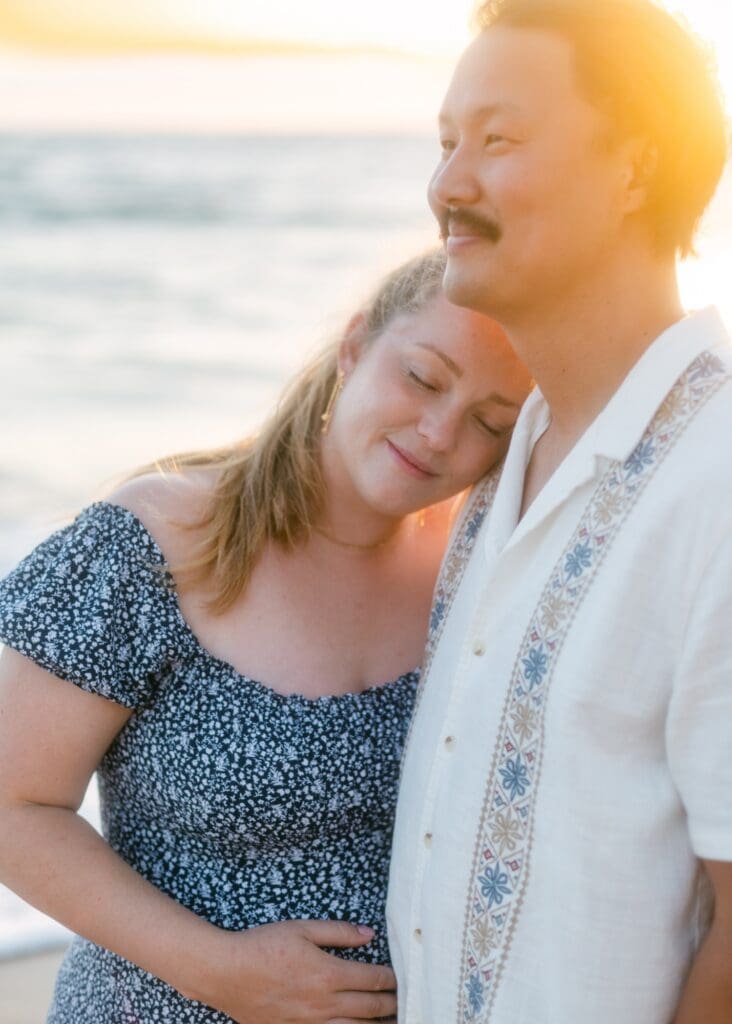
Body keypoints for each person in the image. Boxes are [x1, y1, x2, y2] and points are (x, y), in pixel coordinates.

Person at [0, 249, 531, 1024]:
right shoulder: (163, 540)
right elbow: (14, 806)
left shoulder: (477, 573)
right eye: (422, 377)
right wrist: (221, 972)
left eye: (490, 421)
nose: (440, 430)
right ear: (354, 347)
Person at [387, 3, 732, 1023]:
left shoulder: (716, 479)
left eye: (497, 140)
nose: (449, 185)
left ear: (634, 168)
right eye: (448, 143)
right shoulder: (501, 457)